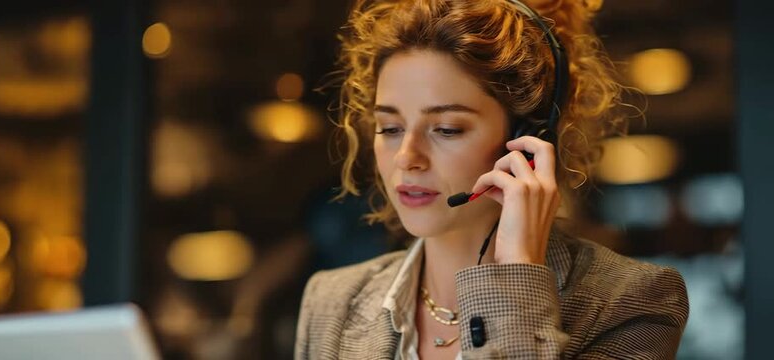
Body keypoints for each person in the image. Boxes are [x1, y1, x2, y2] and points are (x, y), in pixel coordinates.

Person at [295, 0, 689, 358]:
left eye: (446, 129)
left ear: (526, 140)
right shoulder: (331, 301)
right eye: (390, 128)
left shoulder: (632, 302)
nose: (406, 158)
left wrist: (518, 275)